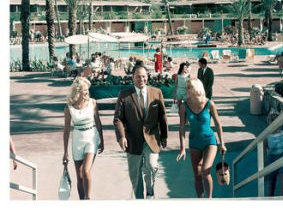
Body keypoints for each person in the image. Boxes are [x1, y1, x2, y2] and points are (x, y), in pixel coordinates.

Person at [113, 64, 168, 199]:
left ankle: (150, 191)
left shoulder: (157, 92)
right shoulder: (124, 95)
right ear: (133, 78)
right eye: (138, 77)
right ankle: (139, 200)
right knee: (135, 174)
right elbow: (118, 118)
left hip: (152, 139)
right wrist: (121, 137)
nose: (141, 79)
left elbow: (162, 117)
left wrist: (164, 136)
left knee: (152, 166)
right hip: (132, 140)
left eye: (143, 76)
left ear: (147, 77)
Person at [176, 78, 226, 198]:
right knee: (197, 174)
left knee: (205, 171)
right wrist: (182, 148)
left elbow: (218, 124)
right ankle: (200, 201)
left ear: (196, 89)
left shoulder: (209, 104)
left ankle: (209, 200)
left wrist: (222, 144)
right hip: (194, 142)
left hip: (210, 141)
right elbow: (182, 127)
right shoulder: (184, 105)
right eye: (186, 87)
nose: (187, 90)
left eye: (189, 87)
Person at [62, 77, 104, 199]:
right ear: (77, 91)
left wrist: (102, 141)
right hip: (77, 140)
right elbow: (66, 131)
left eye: (87, 90)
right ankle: (82, 200)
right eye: (84, 90)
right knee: (79, 176)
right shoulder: (68, 108)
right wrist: (65, 152)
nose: (87, 93)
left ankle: (88, 199)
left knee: (86, 171)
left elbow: (98, 122)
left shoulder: (93, 102)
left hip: (92, 137)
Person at [265, 114, 283, 196]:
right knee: (271, 185)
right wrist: (264, 169)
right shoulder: (266, 137)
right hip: (272, 161)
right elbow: (264, 152)